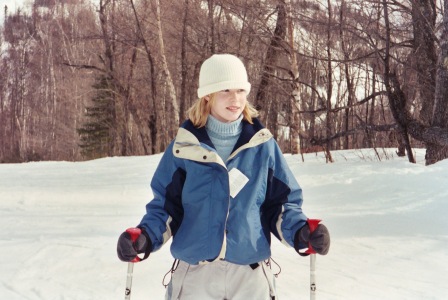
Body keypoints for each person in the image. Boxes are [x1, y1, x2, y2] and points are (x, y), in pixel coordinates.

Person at [117, 53, 330, 300]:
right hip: (196, 277)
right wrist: (144, 237)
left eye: (241, 90)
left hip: (249, 277)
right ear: (208, 94)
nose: (235, 99)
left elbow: (281, 205)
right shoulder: (185, 148)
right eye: (225, 90)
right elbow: (165, 209)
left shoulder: (263, 146)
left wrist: (302, 232)